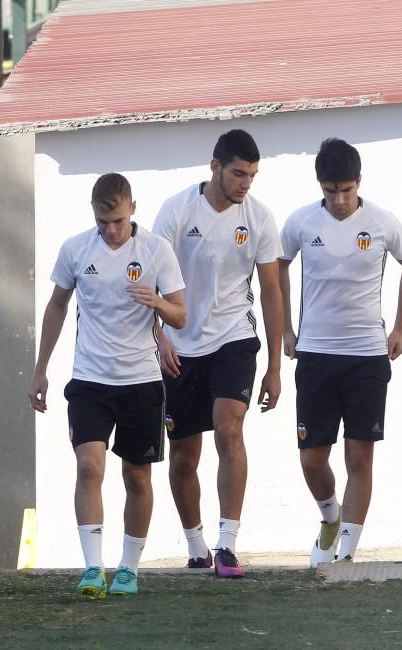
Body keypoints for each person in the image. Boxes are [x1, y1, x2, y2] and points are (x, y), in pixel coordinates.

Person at [28, 173, 187, 597]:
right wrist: (40, 369)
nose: (110, 230)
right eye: (102, 221)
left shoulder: (156, 250)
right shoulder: (76, 249)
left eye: (117, 220)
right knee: (88, 467)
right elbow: (57, 305)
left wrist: (157, 303)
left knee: (136, 477)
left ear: (132, 208)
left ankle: (129, 570)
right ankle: (93, 567)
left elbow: (181, 316)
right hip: (90, 381)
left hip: (141, 382)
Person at [279, 138, 402, 566]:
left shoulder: (381, 222)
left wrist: (399, 326)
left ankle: (346, 555)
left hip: (367, 355)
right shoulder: (301, 223)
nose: (339, 200)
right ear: (319, 186)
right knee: (311, 459)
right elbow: (277, 266)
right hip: (316, 354)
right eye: (330, 191)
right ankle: (330, 517)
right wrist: (286, 328)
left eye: (346, 190)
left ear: (359, 182)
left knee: (359, 455)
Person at [152, 129, 283, 578]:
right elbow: (150, 285)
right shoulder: (176, 210)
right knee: (184, 456)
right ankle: (196, 545)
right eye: (238, 173)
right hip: (181, 345)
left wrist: (275, 367)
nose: (246, 183)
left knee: (229, 429)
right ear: (215, 167)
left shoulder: (260, 218)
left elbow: (270, 290)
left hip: (234, 337)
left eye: (252, 175)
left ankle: (228, 545)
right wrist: (160, 338)